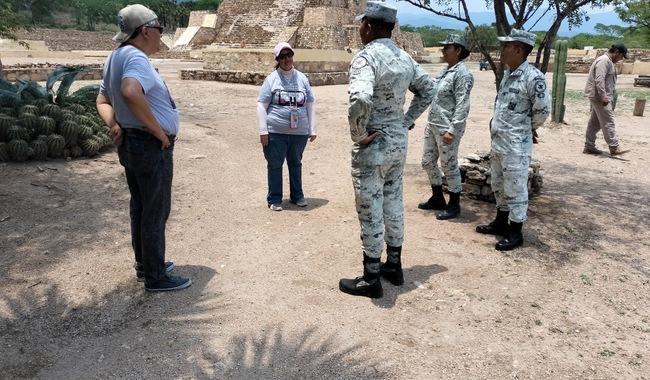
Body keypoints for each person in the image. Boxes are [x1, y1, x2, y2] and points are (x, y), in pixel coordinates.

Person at [338, 1, 435, 298]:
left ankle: (371, 277)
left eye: (361, 24)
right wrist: (405, 121)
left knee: (370, 208)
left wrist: (358, 134)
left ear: (369, 26)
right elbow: (429, 89)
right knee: (393, 203)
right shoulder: (405, 58)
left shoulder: (367, 58)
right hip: (396, 142)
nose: (359, 30)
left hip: (374, 143)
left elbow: (361, 99)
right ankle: (394, 264)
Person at [96, 4, 191, 291]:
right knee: (155, 209)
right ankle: (156, 276)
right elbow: (129, 91)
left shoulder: (115, 56)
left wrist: (114, 123)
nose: (162, 35)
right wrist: (157, 131)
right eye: (160, 29)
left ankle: (146, 264)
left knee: (140, 205)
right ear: (146, 31)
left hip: (132, 142)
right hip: (149, 145)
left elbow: (102, 100)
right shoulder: (136, 58)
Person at [475, 29, 550, 251]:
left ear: (518, 49)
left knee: (516, 188)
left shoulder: (533, 77)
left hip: (516, 145)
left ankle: (516, 231)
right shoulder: (509, 73)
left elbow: (542, 111)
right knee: (498, 184)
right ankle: (501, 221)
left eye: (506, 46)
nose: (503, 50)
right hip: (499, 142)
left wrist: (527, 128)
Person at [418, 34, 474, 220]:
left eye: (447, 47)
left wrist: (453, 130)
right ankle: (437, 197)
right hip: (433, 124)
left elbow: (462, 104)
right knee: (427, 162)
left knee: (449, 166)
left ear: (458, 50)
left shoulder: (462, 74)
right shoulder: (446, 71)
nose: (443, 50)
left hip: (447, 127)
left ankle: (454, 204)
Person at [257, 42, 317, 211]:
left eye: (289, 55)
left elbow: (310, 103)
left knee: (296, 163)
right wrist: (263, 131)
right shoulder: (271, 79)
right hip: (276, 131)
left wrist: (312, 129)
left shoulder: (302, 78)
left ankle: (297, 195)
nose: (286, 59)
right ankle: (275, 199)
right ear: (277, 59)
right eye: (282, 57)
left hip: (299, 132)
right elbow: (261, 104)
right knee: (275, 164)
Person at [583, 44, 630, 156]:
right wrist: (603, 96)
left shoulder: (608, 61)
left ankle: (589, 146)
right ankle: (614, 147)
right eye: (622, 56)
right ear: (617, 52)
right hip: (600, 97)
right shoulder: (604, 61)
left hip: (599, 96)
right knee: (608, 120)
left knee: (595, 123)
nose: (621, 59)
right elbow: (599, 79)